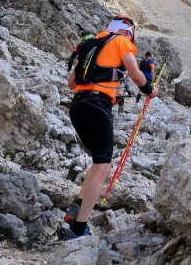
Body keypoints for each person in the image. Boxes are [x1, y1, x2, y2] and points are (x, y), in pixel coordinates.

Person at [64, 16, 158, 239]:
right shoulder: (121, 41)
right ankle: (79, 229)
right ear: (128, 32)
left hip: (78, 105)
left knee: (100, 163)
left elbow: (71, 83)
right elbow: (135, 75)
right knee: (103, 166)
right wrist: (149, 89)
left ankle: (77, 206)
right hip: (97, 104)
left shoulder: (89, 45)